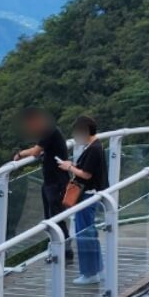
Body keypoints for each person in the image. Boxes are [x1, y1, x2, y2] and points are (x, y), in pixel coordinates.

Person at [13, 106, 73, 262]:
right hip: (51, 181)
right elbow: (39, 149)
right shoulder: (49, 131)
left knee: (56, 218)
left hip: (57, 182)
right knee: (51, 218)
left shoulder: (49, 130)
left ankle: (64, 253)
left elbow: (35, 152)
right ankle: (61, 251)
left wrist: (20, 154)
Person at [57, 115, 109, 285]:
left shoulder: (93, 149)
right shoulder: (94, 146)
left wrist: (69, 167)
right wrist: (73, 165)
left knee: (84, 232)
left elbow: (86, 174)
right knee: (90, 232)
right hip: (92, 193)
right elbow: (86, 169)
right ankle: (98, 269)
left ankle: (89, 273)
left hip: (87, 195)